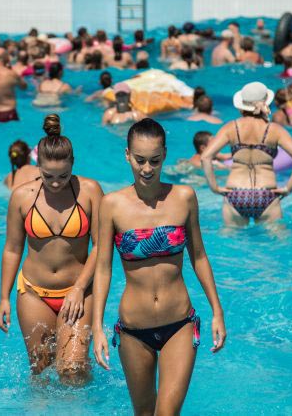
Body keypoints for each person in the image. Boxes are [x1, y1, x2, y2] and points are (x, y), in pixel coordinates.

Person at [91, 118, 226, 415]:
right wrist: (97, 326)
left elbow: (199, 256)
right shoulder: (111, 205)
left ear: (164, 154)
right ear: (127, 155)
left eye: (154, 160)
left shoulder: (184, 197)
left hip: (179, 323)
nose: (147, 168)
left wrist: (217, 311)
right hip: (133, 330)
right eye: (139, 160)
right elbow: (102, 268)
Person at [0, 114, 103, 385]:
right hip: (33, 294)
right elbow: (12, 249)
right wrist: (4, 297)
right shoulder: (22, 196)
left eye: (63, 175)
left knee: (73, 372)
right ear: (37, 166)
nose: (56, 183)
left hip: (77, 292)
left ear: (73, 163)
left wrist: (79, 288)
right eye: (48, 176)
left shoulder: (90, 191)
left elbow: (101, 246)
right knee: (41, 374)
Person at [200, 82, 292, 226]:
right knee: (277, 238)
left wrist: (214, 187)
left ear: (242, 106)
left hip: (236, 193)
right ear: (265, 103)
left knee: (231, 238)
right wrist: (288, 188)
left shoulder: (231, 127)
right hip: (266, 193)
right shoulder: (274, 129)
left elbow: (205, 157)